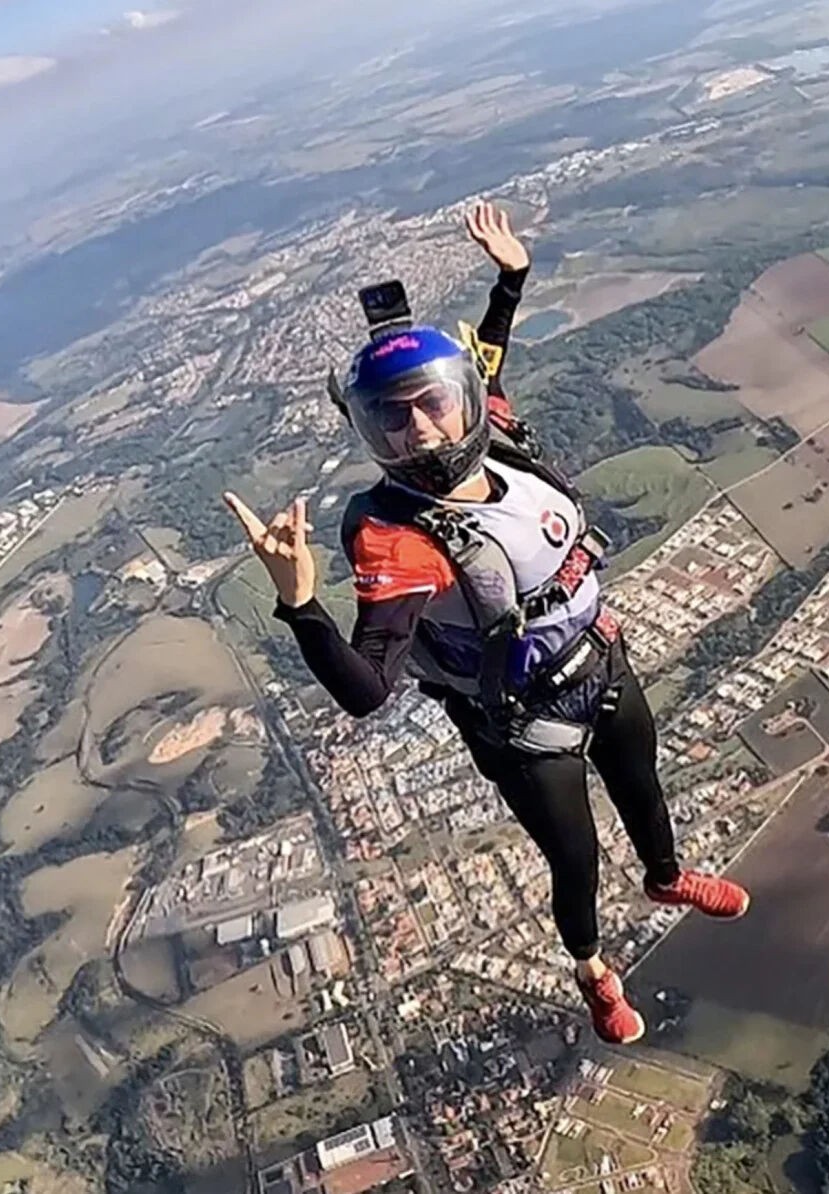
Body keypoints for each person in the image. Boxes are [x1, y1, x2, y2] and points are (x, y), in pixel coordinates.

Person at [224, 202, 749, 1045]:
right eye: (393, 416)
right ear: (369, 432)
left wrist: (511, 279)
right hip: (518, 719)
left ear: (463, 400)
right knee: (573, 858)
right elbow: (367, 689)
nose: (420, 426)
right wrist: (299, 602)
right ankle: (594, 973)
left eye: (432, 404)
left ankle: (666, 877)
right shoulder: (399, 538)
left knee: (644, 790)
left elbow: (485, 360)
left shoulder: (495, 427)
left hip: (599, 661)